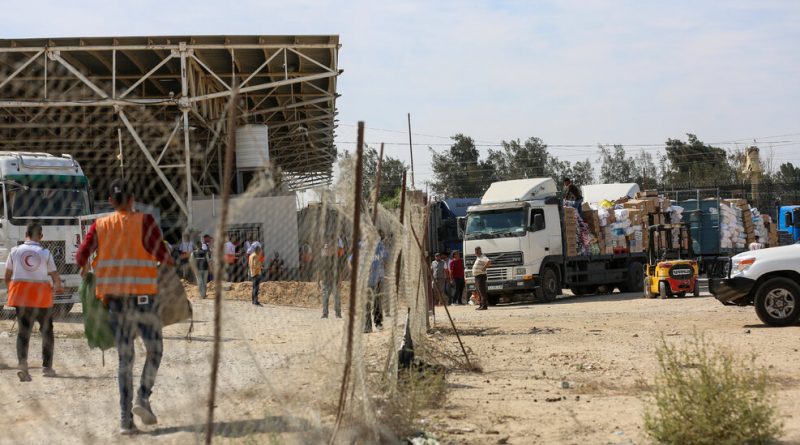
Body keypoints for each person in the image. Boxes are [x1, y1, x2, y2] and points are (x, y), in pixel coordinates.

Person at [76, 178, 173, 435]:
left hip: (116, 304)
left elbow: (81, 255)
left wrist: (86, 267)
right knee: (155, 350)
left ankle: (125, 420)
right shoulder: (145, 222)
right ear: (132, 199)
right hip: (143, 301)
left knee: (125, 359)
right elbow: (163, 255)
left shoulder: (100, 225)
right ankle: (143, 396)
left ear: (110, 201)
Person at [5, 221, 64, 381]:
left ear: (26, 235)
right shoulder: (45, 253)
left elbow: (7, 276)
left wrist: (12, 290)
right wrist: (58, 286)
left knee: (23, 332)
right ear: (41, 236)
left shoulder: (15, 251)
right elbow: (54, 275)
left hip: (21, 298)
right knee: (46, 331)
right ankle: (47, 367)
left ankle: (22, 365)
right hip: (41, 299)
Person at [319, 241, 341, 318]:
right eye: (325, 248)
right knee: (325, 298)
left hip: (335, 282)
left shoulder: (336, 259)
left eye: (327, 248)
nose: (326, 250)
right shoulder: (322, 259)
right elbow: (320, 271)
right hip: (325, 282)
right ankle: (325, 314)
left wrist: (340, 281)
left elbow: (339, 271)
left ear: (331, 250)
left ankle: (338, 314)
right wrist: (319, 281)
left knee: (337, 298)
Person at [472, 246, 491, 311]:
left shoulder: (483, 257)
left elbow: (489, 261)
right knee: (479, 291)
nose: (477, 252)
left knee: (482, 291)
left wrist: (484, 267)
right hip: (477, 276)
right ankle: (481, 305)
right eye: (476, 251)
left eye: (478, 251)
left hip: (481, 276)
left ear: (480, 251)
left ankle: (484, 306)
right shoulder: (478, 257)